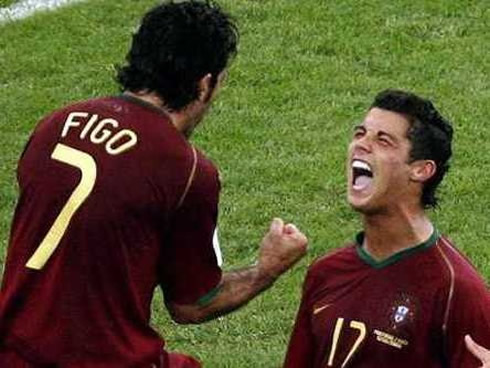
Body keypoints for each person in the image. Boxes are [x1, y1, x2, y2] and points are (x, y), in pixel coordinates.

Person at [0, 1, 308, 367]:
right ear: (205, 84)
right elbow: (192, 304)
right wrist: (267, 269)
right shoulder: (187, 170)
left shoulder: (56, 124)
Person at [283, 89, 490, 367]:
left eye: (383, 141)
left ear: (420, 170)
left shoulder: (455, 290)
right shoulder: (325, 272)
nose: (361, 145)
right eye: (360, 134)